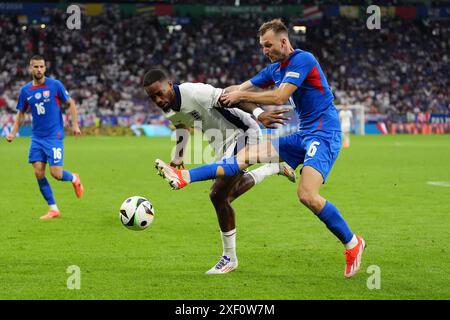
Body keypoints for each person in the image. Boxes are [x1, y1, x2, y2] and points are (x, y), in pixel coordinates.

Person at [155, 19, 365, 278]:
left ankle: (353, 243)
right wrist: (224, 94)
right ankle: (185, 176)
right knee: (243, 157)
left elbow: (278, 97)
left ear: (283, 41)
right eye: (262, 46)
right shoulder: (274, 69)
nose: (265, 50)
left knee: (307, 195)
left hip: (324, 135)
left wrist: (244, 98)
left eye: (268, 45)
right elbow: (239, 88)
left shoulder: (304, 60)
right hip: (302, 135)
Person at [143, 68, 296, 274]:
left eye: (159, 93)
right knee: (227, 194)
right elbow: (181, 125)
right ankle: (273, 167)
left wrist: (260, 115)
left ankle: (229, 259)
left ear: (170, 84)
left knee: (218, 195)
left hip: (244, 132)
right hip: (222, 146)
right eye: (152, 97)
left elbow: (233, 97)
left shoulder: (195, 92)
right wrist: (179, 155)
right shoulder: (168, 107)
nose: (158, 100)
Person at [6, 55, 84, 220]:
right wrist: (13, 132)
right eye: (36, 67)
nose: (39, 70)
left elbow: (71, 103)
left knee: (56, 173)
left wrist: (75, 125)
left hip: (54, 136)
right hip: (37, 137)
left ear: (45, 68)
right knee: (38, 172)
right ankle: (53, 209)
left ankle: (74, 178)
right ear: (30, 68)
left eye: (41, 66)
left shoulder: (55, 85)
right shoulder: (25, 91)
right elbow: (21, 113)